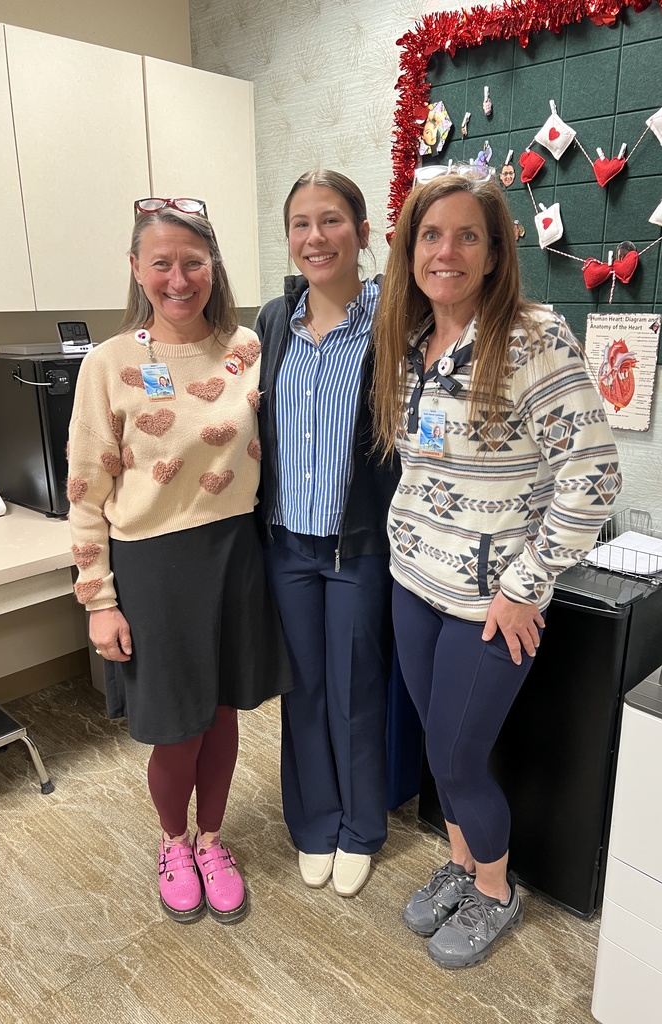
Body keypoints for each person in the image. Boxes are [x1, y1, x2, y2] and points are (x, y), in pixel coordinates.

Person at [371, 174, 621, 967]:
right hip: (413, 580)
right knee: (436, 751)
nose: (446, 251)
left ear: (494, 249)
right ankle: (462, 859)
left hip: (490, 600)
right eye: (431, 235)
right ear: (410, 249)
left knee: (456, 757)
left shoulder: (532, 338)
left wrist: (527, 584)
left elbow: (594, 475)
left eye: (467, 235)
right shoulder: (409, 343)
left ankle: (495, 891)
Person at [67, 197, 293, 925]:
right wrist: (98, 599)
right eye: (161, 263)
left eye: (192, 262)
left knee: (222, 710)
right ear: (137, 269)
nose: (178, 277)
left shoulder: (247, 347)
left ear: (213, 266)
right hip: (152, 567)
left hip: (234, 553)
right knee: (176, 724)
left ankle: (212, 841)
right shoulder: (109, 364)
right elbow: (86, 489)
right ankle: (173, 843)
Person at [255, 170, 399, 897]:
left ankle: (359, 828)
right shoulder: (272, 322)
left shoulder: (394, 322)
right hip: (286, 544)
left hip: (357, 545)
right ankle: (314, 823)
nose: (316, 237)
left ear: (363, 233)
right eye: (301, 223)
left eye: (333, 220)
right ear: (289, 238)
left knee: (355, 689)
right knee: (304, 688)